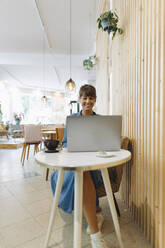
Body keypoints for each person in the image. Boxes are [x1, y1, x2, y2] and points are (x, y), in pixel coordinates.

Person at [51, 84, 111, 248]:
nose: (87, 101)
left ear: (95, 100)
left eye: (91, 98)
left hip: (93, 166)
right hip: (74, 161)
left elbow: (106, 143)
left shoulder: (100, 121)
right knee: (73, 172)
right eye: (84, 98)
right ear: (79, 100)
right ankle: (95, 214)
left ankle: (95, 236)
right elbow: (64, 144)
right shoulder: (72, 120)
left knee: (82, 172)